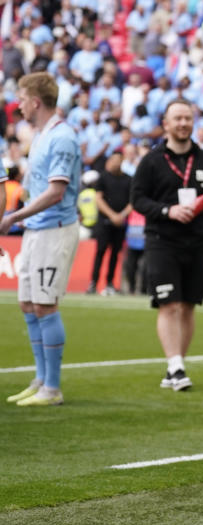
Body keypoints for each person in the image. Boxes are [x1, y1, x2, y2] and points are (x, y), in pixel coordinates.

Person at [131, 99, 203, 391]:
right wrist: (167, 210)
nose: (183, 123)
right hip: (162, 241)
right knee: (168, 304)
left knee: (187, 307)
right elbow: (137, 199)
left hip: (197, 242)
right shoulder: (151, 160)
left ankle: (177, 366)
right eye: (178, 118)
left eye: (187, 118)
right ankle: (175, 365)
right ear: (166, 124)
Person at [1, 72, 82, 407]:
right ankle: (40, 378)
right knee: (28, 304)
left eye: (21, 99)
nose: (18, 106)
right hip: (36, 228)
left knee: (45, 304)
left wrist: (15, 216)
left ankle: (53, 387)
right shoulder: (42, 135)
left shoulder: (61, 137)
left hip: (54, 227)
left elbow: (55, 191)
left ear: (35, 101)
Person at [87, 152, 131, 295]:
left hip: (120, 223)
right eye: (113, 160)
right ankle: (93, 283)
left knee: (115, 253)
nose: (115, 163)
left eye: (118, 160)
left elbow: (133, 201)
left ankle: (110, 283)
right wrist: (113, 215)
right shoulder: (103, 177)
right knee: (100, 252)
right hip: (104, 222)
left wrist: (121, 216)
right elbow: (98, 199)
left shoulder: (128, 179)